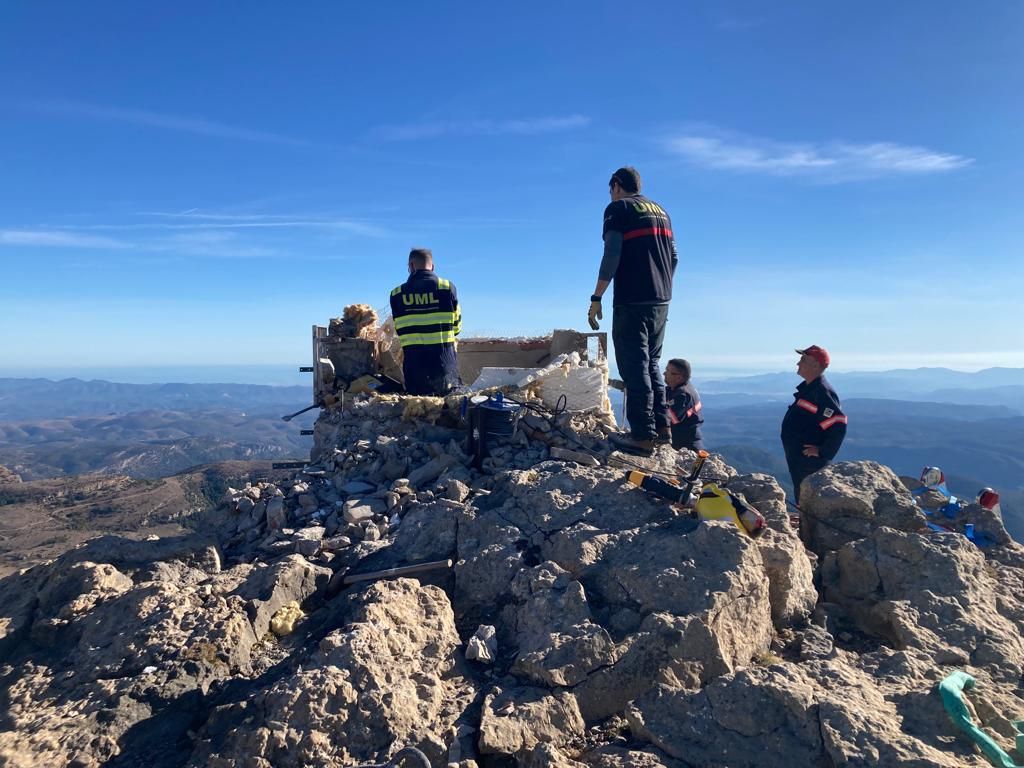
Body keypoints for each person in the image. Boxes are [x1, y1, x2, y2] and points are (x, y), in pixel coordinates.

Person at [588, 166, 678, 453]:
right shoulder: (661, 210)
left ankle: (641, 436)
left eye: (610, 189)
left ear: (616, 185)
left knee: (633, 366)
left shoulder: (619, 209)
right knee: (652, 364)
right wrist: (661, 284)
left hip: (632, 299)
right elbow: (674, 256)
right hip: (661, 300)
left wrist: (596, 296)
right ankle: (662, 429)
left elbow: (612, 252)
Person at [389, 248, 462, 396]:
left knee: (418, 410)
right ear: (432, 267)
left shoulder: (397, 294)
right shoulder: (447, 288)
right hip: (444, 365)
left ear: (411, 266)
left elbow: (399, 329)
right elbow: (457, 327)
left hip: (415, 368)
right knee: (448, 410)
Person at [780, 345, 847, 505]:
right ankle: (805, 528)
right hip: (800, 460)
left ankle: (809, 528)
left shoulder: (822, 392)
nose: (798, 363)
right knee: (802, 497)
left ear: (815, 365)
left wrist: (823, 451)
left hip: (809, 463)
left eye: (803, 359)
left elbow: (838, 423)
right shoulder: (810, 389)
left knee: (809, 500)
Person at [663, 358, 704, 450]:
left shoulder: (682, 395)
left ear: (678, 377)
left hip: (686, 444)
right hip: (688, 439)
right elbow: (659, 394)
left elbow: (671, 418)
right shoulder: (680, 389)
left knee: (695, 464)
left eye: (668, 371)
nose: (664, 373)